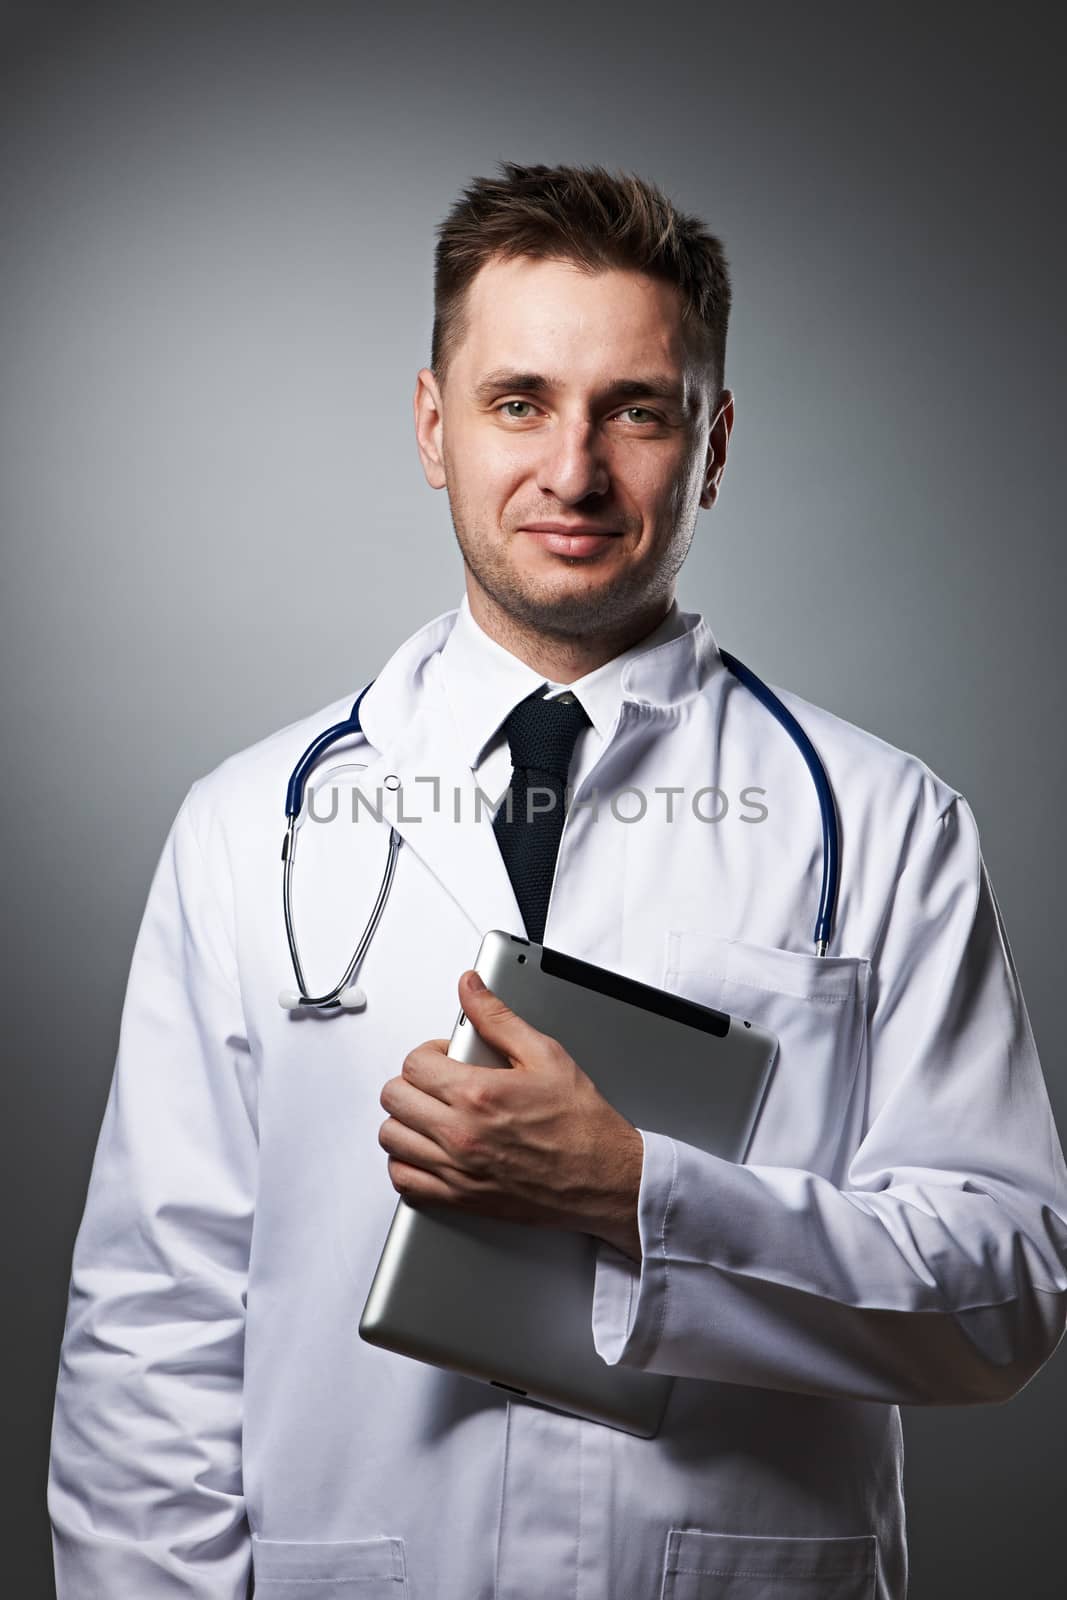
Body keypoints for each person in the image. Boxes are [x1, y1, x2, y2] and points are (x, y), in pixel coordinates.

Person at [48, 161, 1067, 1600]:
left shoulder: (886, 825)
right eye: (518, 401)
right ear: (432, 427)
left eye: (637, 412)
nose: (573, 471)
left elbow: (1007, 1291)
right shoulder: (247, 828)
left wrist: (641, 1192)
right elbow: (150, 1338)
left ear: (712, 444)